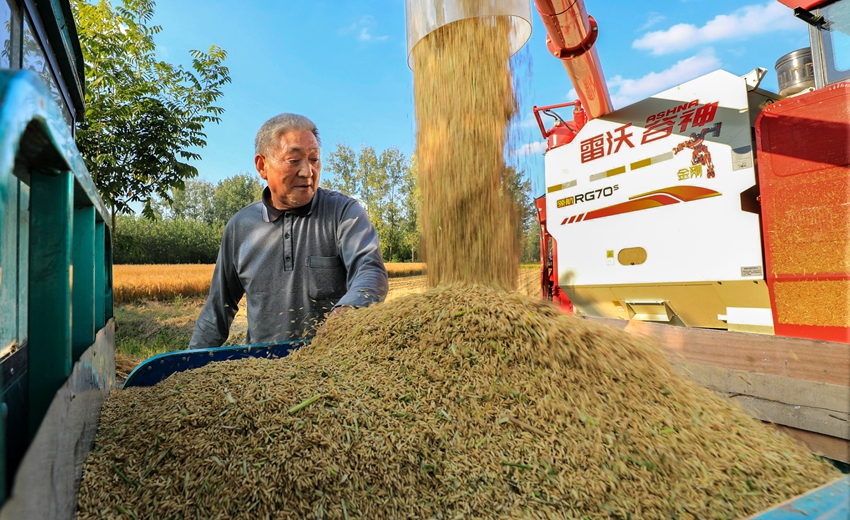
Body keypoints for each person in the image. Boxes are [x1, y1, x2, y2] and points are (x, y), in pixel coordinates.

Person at [189, 113, 388, 348]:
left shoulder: (343, 213)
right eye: (294, 161)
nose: (307, 171)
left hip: (333, 367)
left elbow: (370, 270)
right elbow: (217, 310)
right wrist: (189, 364)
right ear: (262, 166)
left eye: (314, 159)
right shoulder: (241, 227)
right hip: (263, 372)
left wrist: (344, 315)